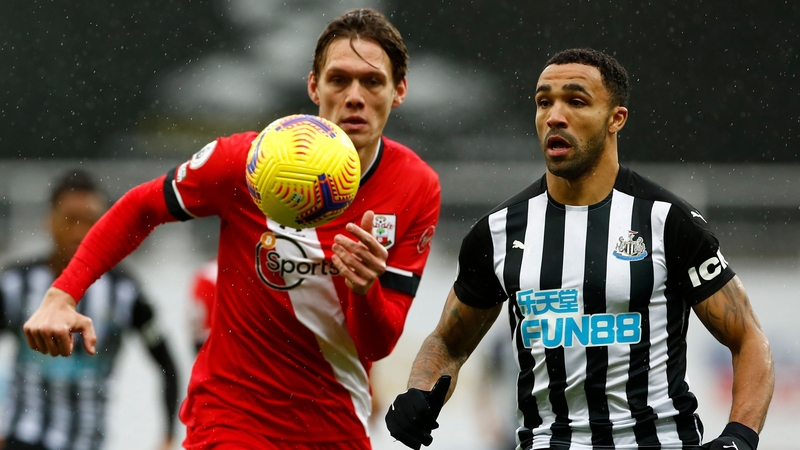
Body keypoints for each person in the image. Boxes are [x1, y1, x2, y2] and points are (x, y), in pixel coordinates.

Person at [23, 8, 441, 450]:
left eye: (372, 82)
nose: (355, 96)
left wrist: (364, 288)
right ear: (314, 86)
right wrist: (62, 293)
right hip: (231, 418)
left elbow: (378, 344)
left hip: (334, 423)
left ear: (399, 91)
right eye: (339, 79)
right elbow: (142, 207)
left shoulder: (416, 187)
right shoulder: (250, 161)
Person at [385, 48, 774, 450]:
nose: (554, 115)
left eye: (575, 101)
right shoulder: (498, 232)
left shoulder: (666, 221)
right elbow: (450, 342)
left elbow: (747, 338)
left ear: (615, 120)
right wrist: (420, 393)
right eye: (543, 102)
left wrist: (740, 436)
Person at [0, 170, 178, 450]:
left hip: (89, 442)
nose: (80, 231)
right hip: (23, 439)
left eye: (91, 222)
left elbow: (168, 365)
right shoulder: (13, 283)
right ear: (49, 221)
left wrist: (167, 436)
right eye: (71, 219)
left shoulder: (124, 291)